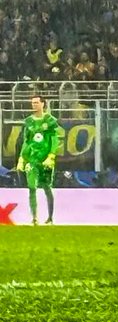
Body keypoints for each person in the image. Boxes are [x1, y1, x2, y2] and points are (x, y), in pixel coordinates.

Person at [15, 94, 62, 226]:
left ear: (43, 104)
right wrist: (21, 159)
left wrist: (51, 156)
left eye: (36, 102)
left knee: (47, 187)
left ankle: (50, 217)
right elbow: (26, 141)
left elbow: (54, 139)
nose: (34, 105)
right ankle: (34, 218)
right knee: (31, 186)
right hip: (32, 159)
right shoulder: (28, 121)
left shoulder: (51, 120)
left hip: (45, 159)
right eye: (32, 103)